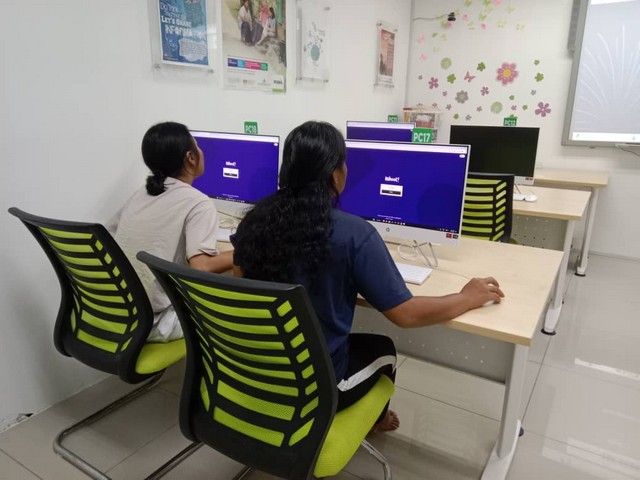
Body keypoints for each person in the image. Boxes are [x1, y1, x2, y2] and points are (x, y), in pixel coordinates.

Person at [231, 121, 504, 432]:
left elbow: (241, 284)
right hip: (315, 390)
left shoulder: (253, 223)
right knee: (384, 348)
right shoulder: (353, 234)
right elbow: (406, 314)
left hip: (255, 372)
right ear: (336, 174)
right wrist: (466, 297)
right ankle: (377, 420)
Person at [107, 122, 233, 342]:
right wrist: (245, 251)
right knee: (233, 309)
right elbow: (202, 266)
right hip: (155, 322)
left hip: (119, 311)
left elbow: (110, 233)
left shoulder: (142, 193)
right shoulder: (198, 203)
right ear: (190, 158)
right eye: (197, 146)